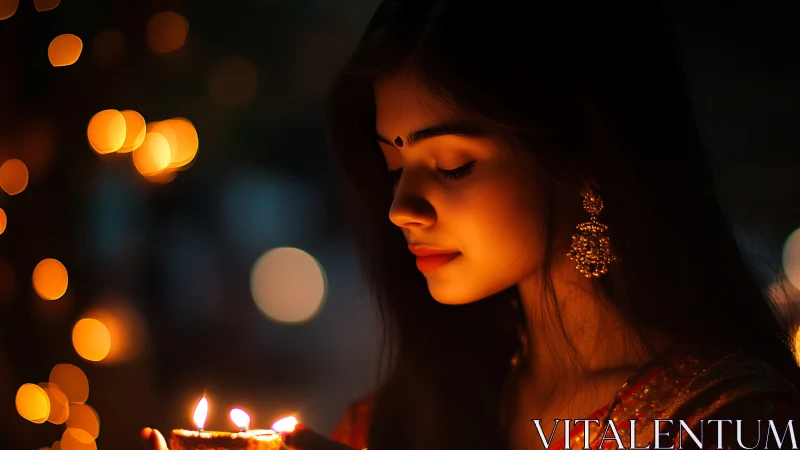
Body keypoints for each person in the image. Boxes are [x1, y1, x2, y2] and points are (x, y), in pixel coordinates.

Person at [144, 1, 800, 449]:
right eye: (393, 163)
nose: (402, 207)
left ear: (583, 164)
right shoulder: (403, 417)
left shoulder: (727, 421)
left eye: (452, 165)